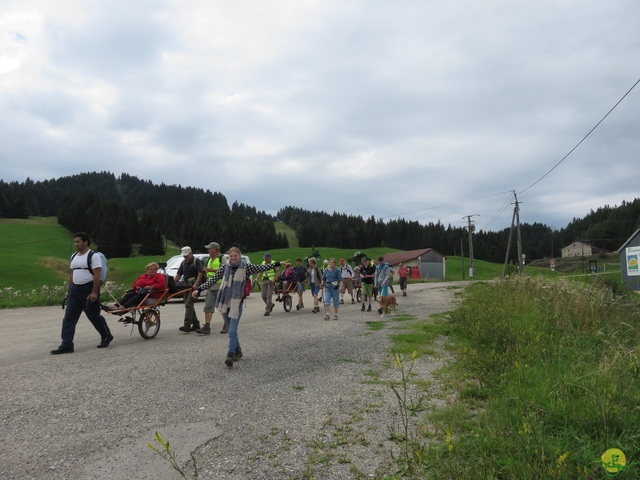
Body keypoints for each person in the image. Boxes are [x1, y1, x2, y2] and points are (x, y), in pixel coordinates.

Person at [193, 247, 289, 366]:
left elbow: (261, 267)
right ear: (228, 257)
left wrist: (279, 263)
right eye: (231, 256)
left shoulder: (246, 267)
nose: (233, 258)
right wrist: (199, 289)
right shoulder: (225, 267)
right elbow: (213, 280)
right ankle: (238, 351)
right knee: (231, 331)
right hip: (225, 301)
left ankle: (230, 354)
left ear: (239, 256)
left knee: (232, 330)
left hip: (237, 302)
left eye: (235, 256)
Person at [50, 232, 113, 354]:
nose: (76, 244)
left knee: (93, 315)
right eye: (75, 242)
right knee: (69, 318)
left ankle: (106, 335)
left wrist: (94, 292)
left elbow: (97, 275)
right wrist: (69, 290)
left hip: (88, 289)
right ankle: (67, 344)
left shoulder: (93, 256)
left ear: (86, 242)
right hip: (75, 290)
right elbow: (72, 275)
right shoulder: (74, 256)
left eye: (78, 241)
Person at [174, 246, 204, 332]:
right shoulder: (183, 263)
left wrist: (196, 284)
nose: (185, 257)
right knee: (189, 305)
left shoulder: (196, 261)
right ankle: (196, 324)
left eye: (186, 255)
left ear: (191, 253)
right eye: (184, 256)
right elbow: (178, 275)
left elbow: (200, 273)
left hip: (193, 285)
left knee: (188, 304)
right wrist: (172, 283)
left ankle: (187, 325)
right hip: (185, 284)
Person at [196, 242, 224, 335]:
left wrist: (210, 270)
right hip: (210, 286)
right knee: (208, 306)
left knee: (223, 307)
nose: (208, 250)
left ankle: (227, 324)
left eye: (209, 248)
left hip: (220, 286)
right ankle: (207, 326)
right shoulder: (209, 259)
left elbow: (224, 270)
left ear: (215, 249)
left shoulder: (222, 258)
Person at [256, 252, 278, 316]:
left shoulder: (273, 263)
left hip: (271, 281)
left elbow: (278, 273)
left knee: (268, 295)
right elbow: (260, 271)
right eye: (265, 258)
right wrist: (257, 278)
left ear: (270, 258)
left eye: (267, 258)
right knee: (263, 295)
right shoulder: (263, 263)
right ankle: (270, 304)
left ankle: (267, 310)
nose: (266, 259)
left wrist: (274, 278)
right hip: (264, 280)